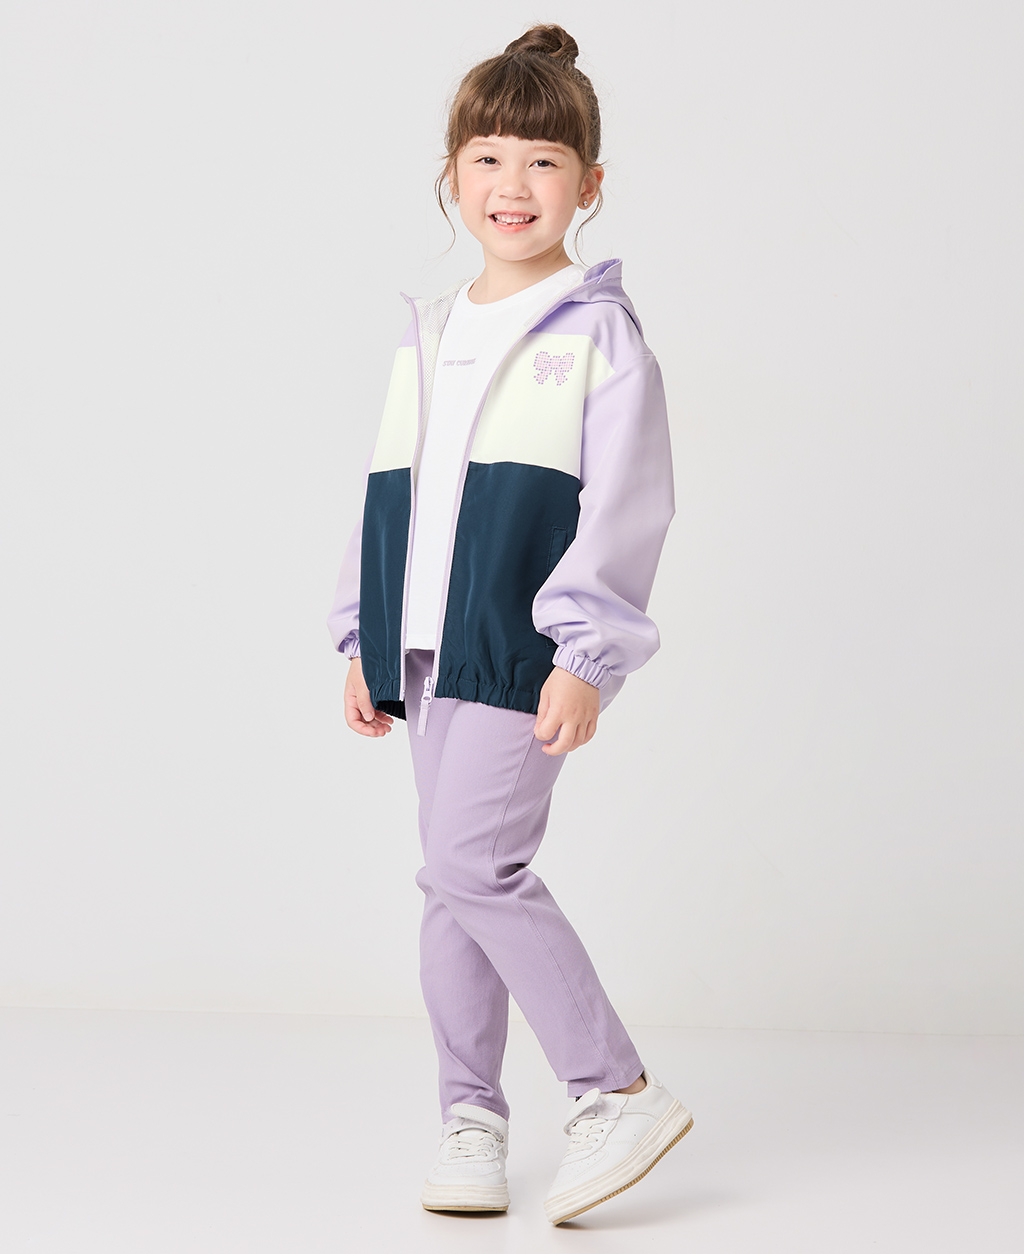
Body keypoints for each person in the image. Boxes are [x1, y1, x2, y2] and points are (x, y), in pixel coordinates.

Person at [326, 23, 692, 1226]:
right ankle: (471, 1117)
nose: (513, 184)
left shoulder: (596, 335)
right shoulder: (430, 331)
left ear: (590, 183)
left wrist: (586, 654)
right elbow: (387, 488)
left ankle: (615, 1087)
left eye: (543, 160)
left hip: (516, 647)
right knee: (448, 885)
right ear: (452, 175)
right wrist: (362, 633)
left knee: (472, 867)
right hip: (423, 650)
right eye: (488, 158)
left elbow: (628, 507)